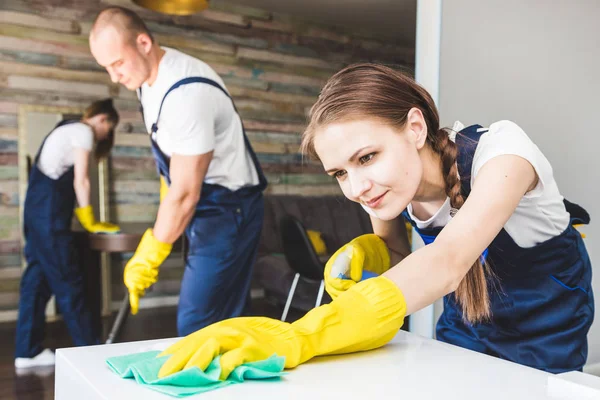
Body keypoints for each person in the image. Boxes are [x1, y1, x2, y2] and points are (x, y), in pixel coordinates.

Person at [152, 63, 594, 380]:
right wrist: (373, 252)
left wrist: (305, 334)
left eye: (366, 157)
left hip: (546, 328)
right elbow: (400, 255)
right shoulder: (383, 189)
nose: (356, 186)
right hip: (466, 324)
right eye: (340, 172)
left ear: (415, 128)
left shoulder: (503, 153)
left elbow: (447, 261)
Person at [88, 7, 267, 336]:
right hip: (206, 204)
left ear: (143, 43)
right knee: (225, 319)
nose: (114, 77)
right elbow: (172, 167)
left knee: (198, 322)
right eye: (106, 68)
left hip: (229, 209)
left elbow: (185, 193)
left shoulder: (186, 92)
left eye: (117, 64)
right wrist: (165, 208)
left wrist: (151, 253)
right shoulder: (146, 82)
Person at [15, 99, 121, 369]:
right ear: (103, 119)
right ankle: (92, 351)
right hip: (49, 215)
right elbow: (81, 180)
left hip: (36, 212)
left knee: (36, 282)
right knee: (68, 280)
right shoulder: (83, 131)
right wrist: (89, 220)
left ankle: (27, 352)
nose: (105, 135)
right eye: (108, 129)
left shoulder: (64, 129)